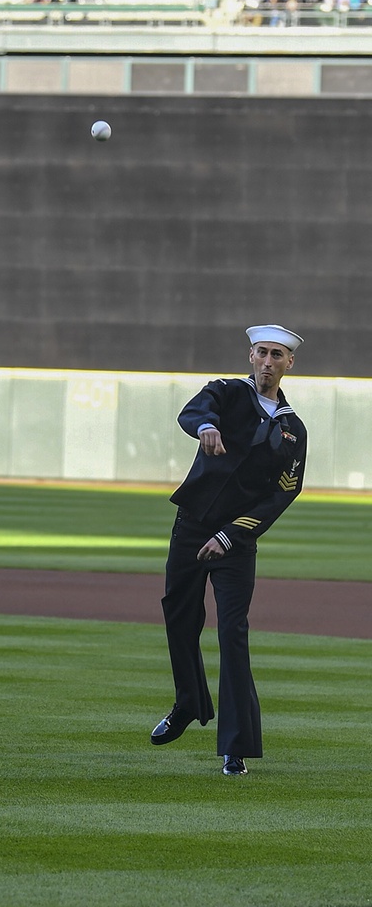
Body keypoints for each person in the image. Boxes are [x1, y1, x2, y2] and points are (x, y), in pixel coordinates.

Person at [151, 324, 308, 776]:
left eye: (277, 355)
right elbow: (195, 410)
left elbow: (284, 492)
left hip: (235, 541)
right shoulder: (225, 394)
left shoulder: (292, 428)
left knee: (232, 633)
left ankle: (235, 747)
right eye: (261, 352)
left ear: (288, 363)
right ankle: (188, 705)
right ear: (250, 355)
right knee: (179, 615)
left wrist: (233, 535)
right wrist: (204, 427)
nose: (267, 361)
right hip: (191, 523)